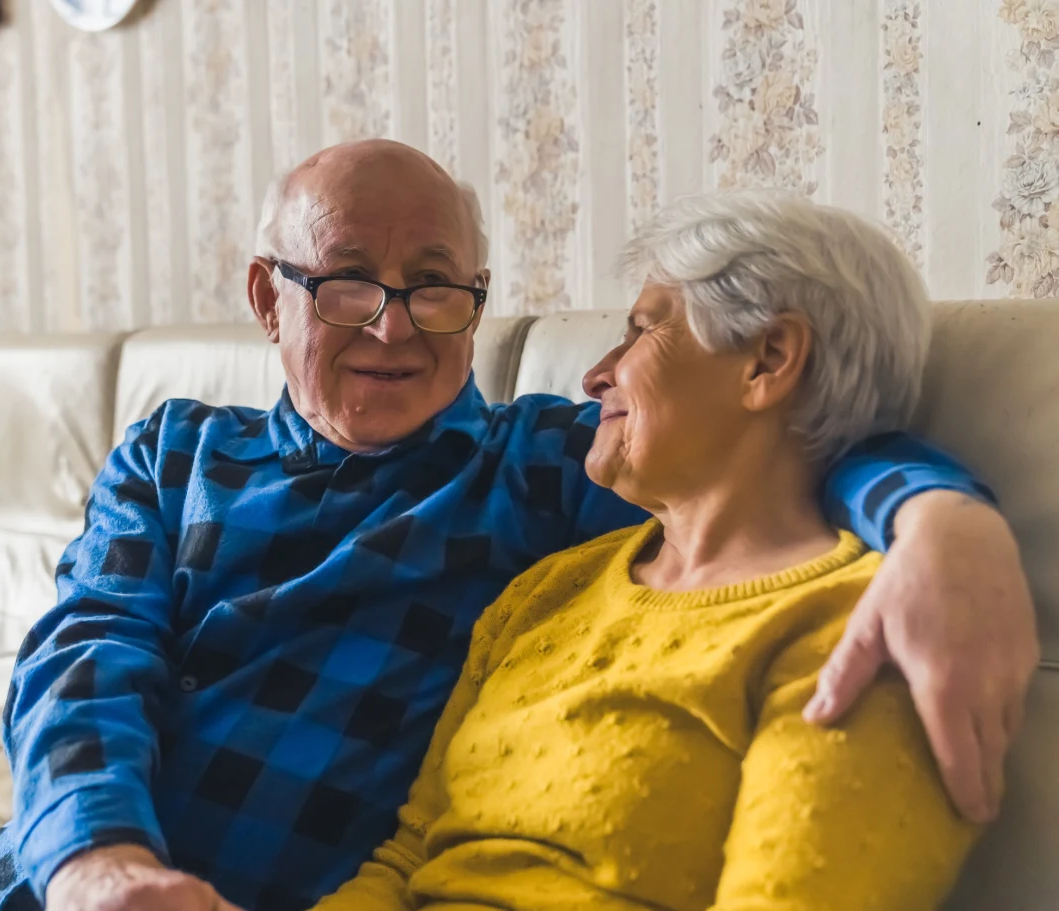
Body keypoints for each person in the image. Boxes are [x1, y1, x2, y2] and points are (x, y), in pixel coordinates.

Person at [0, 141, 1034, 911]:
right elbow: (88, 654)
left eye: (438, 289)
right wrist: (96, 854)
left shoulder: (540, 468)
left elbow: (802, 444)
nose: (396, 325)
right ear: (269, 295)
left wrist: (942, 522)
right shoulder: (175, 451)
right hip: (57, 868)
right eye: (351, 279)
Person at [314, 191, 979, 911]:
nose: (596, 374)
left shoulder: (855, 632)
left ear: (770, 359)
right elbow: (408, 856)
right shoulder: (548, 591)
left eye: (640, 331)